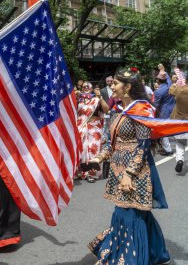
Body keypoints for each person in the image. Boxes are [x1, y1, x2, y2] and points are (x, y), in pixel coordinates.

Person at [88, 68, 170, 264]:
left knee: (128, 214)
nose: (112, 86)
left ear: (128, 87)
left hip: (135, 173)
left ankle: (129, 259)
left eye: (116, 83)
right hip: (118, 170)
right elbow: (111, 143)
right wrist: (97, 159)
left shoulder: (141, 111)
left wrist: (129, 174)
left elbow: (143, 147)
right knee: (136, 213)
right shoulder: (118, 111)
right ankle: (156, 253)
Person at [76, 82, 109, 183]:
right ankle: (81, 172)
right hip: (81, 127)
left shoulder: (96, 100)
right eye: (84, 87)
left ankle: (91, 173)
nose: (85, 88)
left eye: (88, 87)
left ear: (91, 89)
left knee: (93, 149)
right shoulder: (78, 99)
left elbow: (107, 110)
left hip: (94, 128)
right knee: (82, 149)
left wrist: (100, 97)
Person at [154, 63, 175, 156]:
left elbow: (156, 105)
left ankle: (168, 150)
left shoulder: (158, 91)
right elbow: (169, 79)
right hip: (172, 110)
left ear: (158, 80)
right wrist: (163, 70)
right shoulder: (169, 85)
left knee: (163, 132)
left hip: (164, 112)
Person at [169, 82, 188, 173]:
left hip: (179, 122)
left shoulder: (179, 90)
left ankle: (180, 160)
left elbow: (171, 91)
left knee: (180, 143)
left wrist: (174, 85)